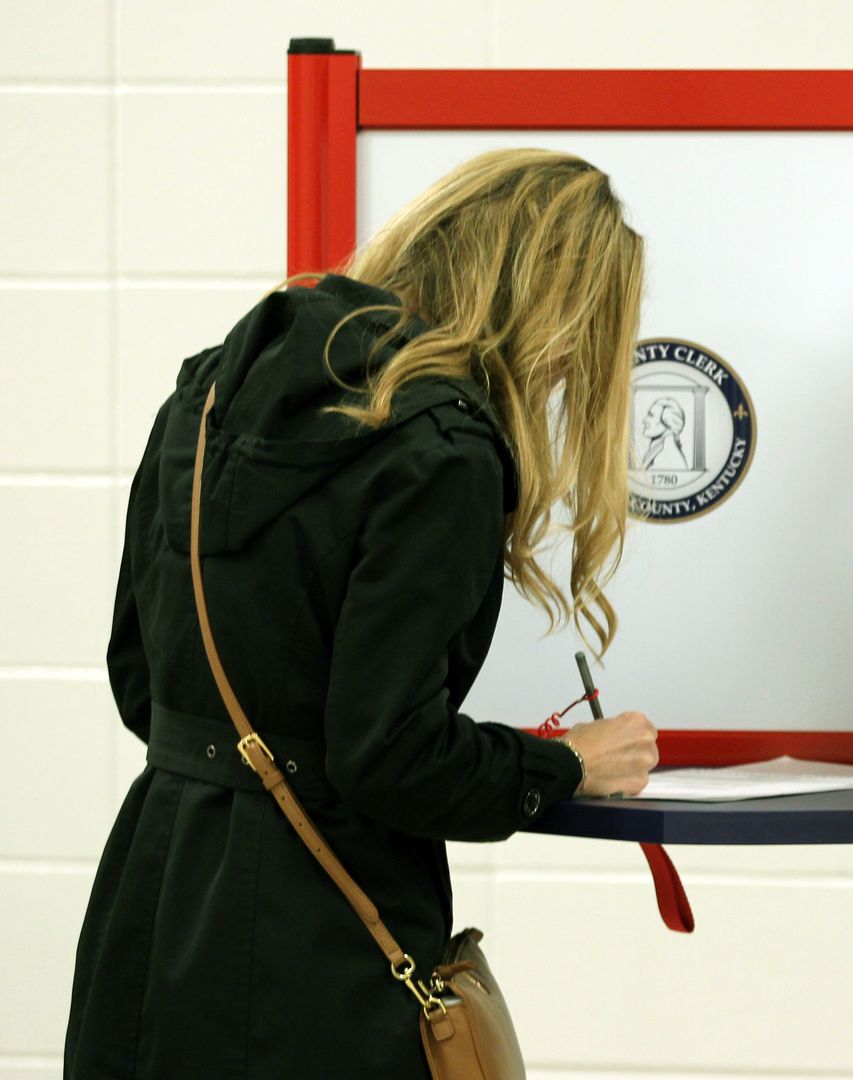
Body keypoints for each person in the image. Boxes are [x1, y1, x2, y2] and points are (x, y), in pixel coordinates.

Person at [65, 148, 662, 1078]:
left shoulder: (207, 391)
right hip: (320, 951)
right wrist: (562, 765)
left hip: (151, 907)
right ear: (550, 314)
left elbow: (139, 680)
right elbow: (387, 759)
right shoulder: (444, 450)